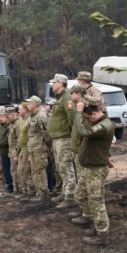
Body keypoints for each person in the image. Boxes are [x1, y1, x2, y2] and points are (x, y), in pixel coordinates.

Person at [70, 95, 115, 247]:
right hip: (89, 167)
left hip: (96, 169)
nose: (88, 120)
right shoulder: (98, 122)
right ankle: (92, 220)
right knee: (79, 195)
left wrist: (78, 113)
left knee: (96, 201)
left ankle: (102, 234)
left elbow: (85, 132)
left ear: (95, 114)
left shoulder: (105, 125)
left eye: (88, 118)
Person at [47, 73, 78, 209]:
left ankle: (71, 196)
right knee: (60, 167)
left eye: (55, 83)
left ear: (60, 83)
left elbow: (73, 119)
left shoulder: (67, 99)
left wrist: (74, 139)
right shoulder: (60, 99)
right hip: (57, 139)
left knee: (66, 167)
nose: (53, 85)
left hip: (65, 138)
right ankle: (65, 192)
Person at [25, 96, 51, 202]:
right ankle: (39, 191)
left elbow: (47, 134)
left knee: (40, 171)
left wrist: (48, 146)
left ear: (35, 104)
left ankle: (43, 193)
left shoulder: (41, 116)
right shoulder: (31, 116)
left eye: (29, 103)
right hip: (33, 148)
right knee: (35, 171)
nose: (27, 105)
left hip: (40, 148)